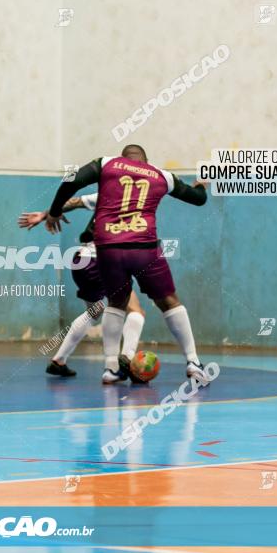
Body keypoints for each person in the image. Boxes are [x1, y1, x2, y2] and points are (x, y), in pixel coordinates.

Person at [44, 144, 212, 384]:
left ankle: (111, 367)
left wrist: (53, 210)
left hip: (108, 248)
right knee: (168, 301)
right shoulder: (161, 174)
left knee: (115, 303)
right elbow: (198, 200)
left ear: (123, 158)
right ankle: (193, 362)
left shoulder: (106, 163)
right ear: (146, 160)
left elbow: (71, 180)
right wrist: (200, 187)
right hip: (144, 248)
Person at [18, 194, 146, 380]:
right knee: (136, 311)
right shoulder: (143, 199)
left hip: (81, 259)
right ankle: (126, 360)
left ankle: (59, 361)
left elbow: (75, 201)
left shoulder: (108, 192)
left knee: (95, 310)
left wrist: (47, 214)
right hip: (106, 260)